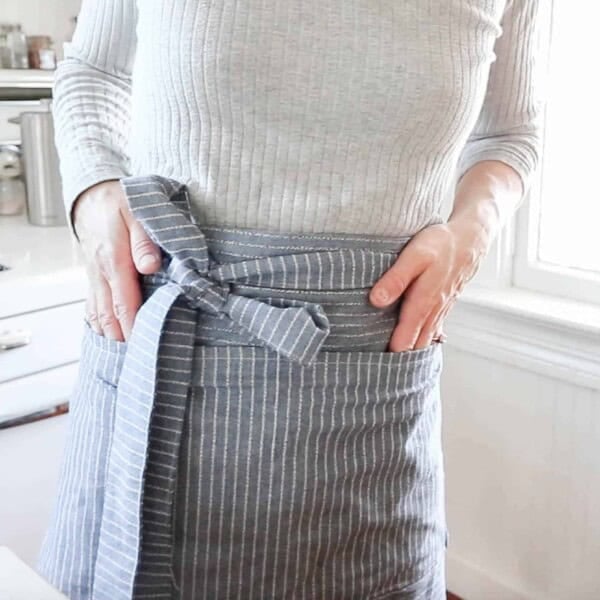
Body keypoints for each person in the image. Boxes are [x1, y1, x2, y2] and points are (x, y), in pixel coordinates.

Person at [38, 1, 543, 598]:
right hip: (162, 351)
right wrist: (95, 192)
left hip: (368, 383)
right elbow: (94, 70)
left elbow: (510, 133)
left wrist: (472, 230)